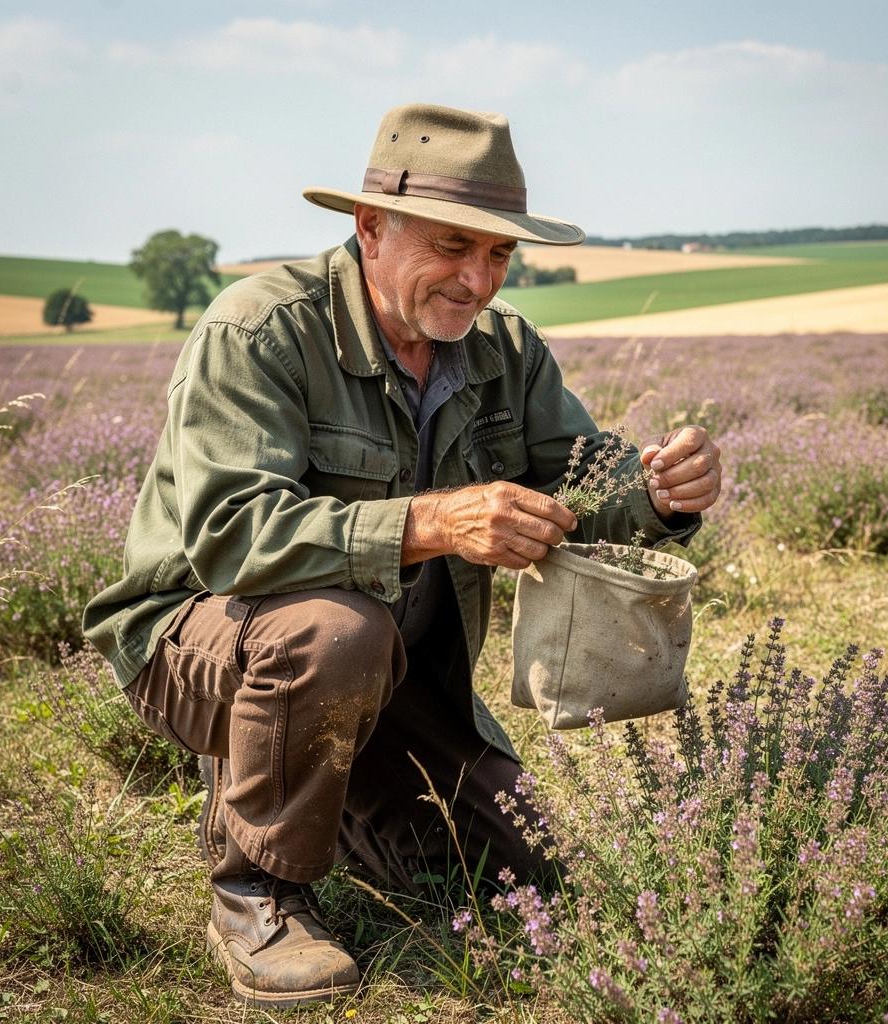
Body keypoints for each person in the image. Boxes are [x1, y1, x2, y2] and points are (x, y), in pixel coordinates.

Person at [83, 103, 722, 1008]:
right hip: (198, 637)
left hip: (403, 675)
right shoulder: (261, 330)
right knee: (334, 632)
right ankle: (255, 889)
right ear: (371, 226)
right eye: (454, 246)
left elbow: (581, 479)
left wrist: (657, 493)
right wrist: (434, 523)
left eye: (499, 254)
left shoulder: (503, 351)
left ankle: (314, 779)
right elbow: (231, 535)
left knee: (530, 875)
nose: (478, 280)